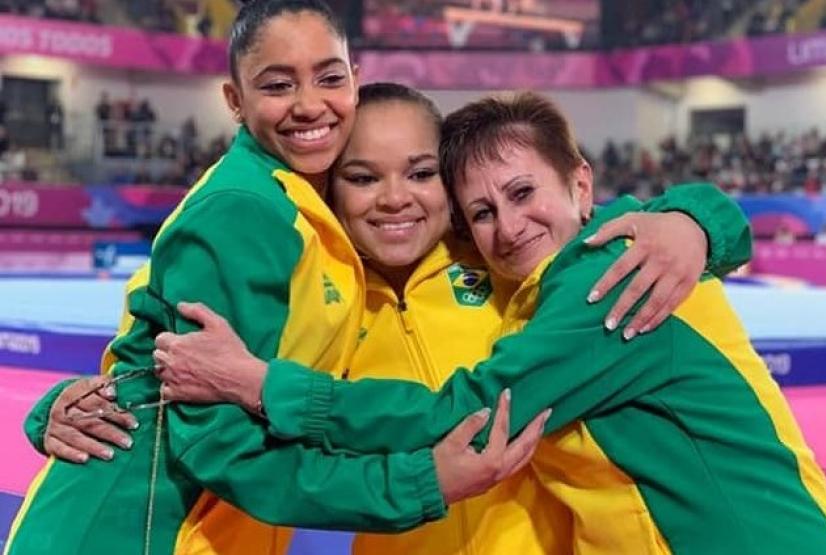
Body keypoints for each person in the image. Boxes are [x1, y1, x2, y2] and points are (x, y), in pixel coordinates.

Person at [26, 83, 754, 555]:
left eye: (421, 172)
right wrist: (54, 408)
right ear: (328, 190)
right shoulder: (306, 289)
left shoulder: (505, 264)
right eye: (362, 177)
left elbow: (595, 226)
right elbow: (154, 353)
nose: (395, 198)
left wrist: (694, 221)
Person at [5, 3, 550, 554]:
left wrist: (617, 227)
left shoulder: (325, 225)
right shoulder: (245, 207)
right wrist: (420, 484)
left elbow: (146, 338)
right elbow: (208, 432)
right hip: (139, 532)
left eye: (329, 78)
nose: (309, 104)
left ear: (353, 80)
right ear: (235, 101)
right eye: (277, 85)